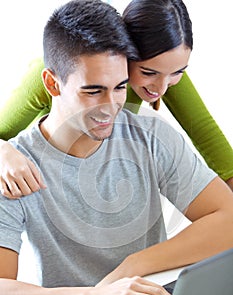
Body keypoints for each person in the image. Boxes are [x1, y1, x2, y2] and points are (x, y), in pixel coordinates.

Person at [0, 0, 233, 295]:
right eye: (93, 91)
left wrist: (133, 265)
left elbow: (229, 215)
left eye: (121, 87)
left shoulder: (150, 135)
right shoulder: (14, 168)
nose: (111, 107)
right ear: (52, 84)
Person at [0, 0, 232, 199]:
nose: (161, 88)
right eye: (148, 73)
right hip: (48, 181)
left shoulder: (162, 70)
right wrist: (5, 152)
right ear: (124, 53)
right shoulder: (64, 73)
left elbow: (206, 135)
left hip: (110, 180)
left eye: (177, 72)